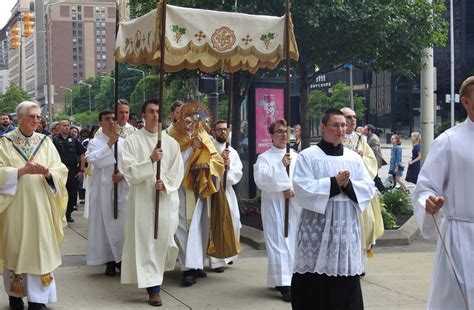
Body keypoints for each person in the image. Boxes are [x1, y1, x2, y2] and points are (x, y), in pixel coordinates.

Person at [291, 109, 375, 310]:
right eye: (335, 125)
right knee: (314, 280)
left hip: (344, 227)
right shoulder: (308, 156)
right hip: (317, 227)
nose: (340, 130)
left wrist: (347, 186)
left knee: (344, 280)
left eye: (343, 125)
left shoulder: (354, 158)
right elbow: (301, 187)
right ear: (323, 127)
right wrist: (333, 183)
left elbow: (368, 187)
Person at [412, 76, 474, 309]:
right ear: (466, 102)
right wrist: (428, 202)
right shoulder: (448, 141)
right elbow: (425, 186)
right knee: (456, 301)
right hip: (460, 237)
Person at [0, 101, 68, 310]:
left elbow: (60, 169)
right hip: (15, 207)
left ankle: (38, 299)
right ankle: (15, 294)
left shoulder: (45, 142)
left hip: (41, 206)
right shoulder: (5, 143)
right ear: (19, 118)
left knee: (41, 249)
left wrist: (48, 174)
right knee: (16, 247)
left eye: (38, 117)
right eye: (31, 116)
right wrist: (21, 171)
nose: (36, 121)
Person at [120, 99, 184, 307]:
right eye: (150, 111)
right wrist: (150, 161)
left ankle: (155, 279)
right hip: (142, 201)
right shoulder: (132, 140)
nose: (155, 115)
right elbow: (128, 171)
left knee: (163, 240)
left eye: (157, 111)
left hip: (165, 199)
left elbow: (177, 170)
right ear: (143, 115)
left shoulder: (171, 142)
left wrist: (164, 184)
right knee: (147, 241)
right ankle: (154, 289)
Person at [168, 102, 225, 287]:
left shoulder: (202, 133)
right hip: (182, 187)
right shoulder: (172, 135)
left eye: (193, 116)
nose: (191, 120)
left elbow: (214, 156)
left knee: (201, 226)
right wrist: (189, 148)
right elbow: (171, 160)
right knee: (184, 227)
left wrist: (208, 159)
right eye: (185, 116)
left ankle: (197, 262)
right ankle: (187, 268)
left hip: (200, 187)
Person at [253, 119, 301, 302]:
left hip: (294, 205)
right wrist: (281, 168)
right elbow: (262, 180)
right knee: (278, 242)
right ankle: (283, 283)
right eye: (279, 132)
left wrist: (294, 191)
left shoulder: (297, 157)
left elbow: (304, 179)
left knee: (292, 241)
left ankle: (291, 277)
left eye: (285, 132)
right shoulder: (264, 157)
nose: (283, 135)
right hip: (274, 205)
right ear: (271, 136)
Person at [86, 110, 129, 277]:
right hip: (103, 190)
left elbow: (130, 162)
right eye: (107, 119)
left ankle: (122, 259)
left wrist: (123, 174)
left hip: (121, 188)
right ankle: (109, 260)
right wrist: (110, 143)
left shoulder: (125, 142)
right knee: (104, 226)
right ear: (100, 122)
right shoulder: (94, 142)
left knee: (121, 225)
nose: (111, 122)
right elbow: (94, 160)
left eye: (113, 119)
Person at [341, 108, 384, 271]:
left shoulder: (361, 139)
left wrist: (361, 157)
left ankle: (360, 266)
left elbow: (372, 161)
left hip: (361, 190)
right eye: (349, 117)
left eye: (354, 117)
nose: (353, 120)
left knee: (367, 225)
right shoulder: (337, 138)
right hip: (344, 190)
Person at [209, 120, 243, 272]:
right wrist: (220, 162)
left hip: (227, 191)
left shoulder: (233, 152)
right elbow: (208, 171)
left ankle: (228, 255)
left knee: (233, 221)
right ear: (213, 131)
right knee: (214, 224)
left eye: (225, 129)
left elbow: (238, 173)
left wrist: (228, 167)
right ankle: (216, 260)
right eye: (219, 129)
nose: (223, 132)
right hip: (212, 192)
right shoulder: (209, 149)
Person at [53, 120, 86, 222]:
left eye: (68, 125)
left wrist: (81, 170)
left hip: (72, 171)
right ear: (58, 127)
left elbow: (82, 155)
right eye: (64, 125)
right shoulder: (54, 140)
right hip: (58, 171)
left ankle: (68, 213)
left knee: (72, 194)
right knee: (58, 193)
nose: (67, 127)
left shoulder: (74, 140)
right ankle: (59, 213)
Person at [365, 124, 387, 192]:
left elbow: (374, 150)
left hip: (375, 161)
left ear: (370, 130)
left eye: (366, 130)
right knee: (373, 177)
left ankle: (384, 192)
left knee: (374, 177)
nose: (364, 131)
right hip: (371, 161)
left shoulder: (374, 138)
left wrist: (364, 152)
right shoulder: (369, 137)